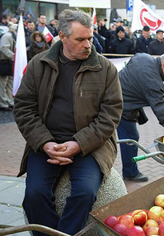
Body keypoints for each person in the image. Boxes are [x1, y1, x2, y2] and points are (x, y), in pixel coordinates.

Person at [13, 9, 123, 235]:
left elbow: (111, 114)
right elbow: (24, 108)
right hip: (47, 143)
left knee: (84, 193)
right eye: (80, 39)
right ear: (62, 37)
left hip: (91, 145)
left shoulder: (105, 69)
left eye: (90, 38)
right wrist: (45, 143)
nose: (88, 45)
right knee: (34, 195)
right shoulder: (38, 65)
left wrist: (79, 144)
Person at [118, 52, 164, 181]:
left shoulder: (143, 57)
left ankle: (129, 170)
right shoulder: (154, 82)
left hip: (118, 95)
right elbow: (162, 112)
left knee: (131, 136)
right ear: (163, 65)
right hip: (121, 107)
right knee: (130, 138)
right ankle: (130, 173)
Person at [0, 22, 17, 111]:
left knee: (10, 83)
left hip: (9, 62)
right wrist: (15, 56)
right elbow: (3, 48)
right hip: (4, 62)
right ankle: (3, 103)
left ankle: (10, 101)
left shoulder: (13, 36)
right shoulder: (7, 36)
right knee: (3, 84)